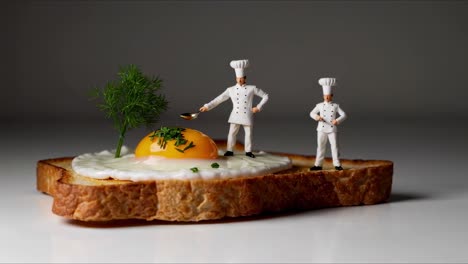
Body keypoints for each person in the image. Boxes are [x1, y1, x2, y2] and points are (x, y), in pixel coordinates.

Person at [199, 59, 269, 158]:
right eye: (238, 78)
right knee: (231, 133)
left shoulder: (251, 88)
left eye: (241, 78)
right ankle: (229, 150)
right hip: (235, 114)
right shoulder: (230, 90)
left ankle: (248, 151)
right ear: (235, 78)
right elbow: (219, 99)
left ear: (245, 78)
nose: (239, 80)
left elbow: (265, 96)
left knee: (248, 134)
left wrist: (258, 107)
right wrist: (207, 106)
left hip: (247, 114)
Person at [310, 77, 347, 170]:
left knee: (334, 147)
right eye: (325, 96)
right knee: (320, 147)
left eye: (328, 95)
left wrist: (337, 120)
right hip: (321, 128)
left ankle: (337, 164)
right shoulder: (319, 105)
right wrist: (317, 117)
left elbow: (344, 115)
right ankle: (318, 165)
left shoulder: (336, 106)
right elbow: (311, 113)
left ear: (332, 95)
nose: (326, 97)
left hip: (332, 129)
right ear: (323, 96)